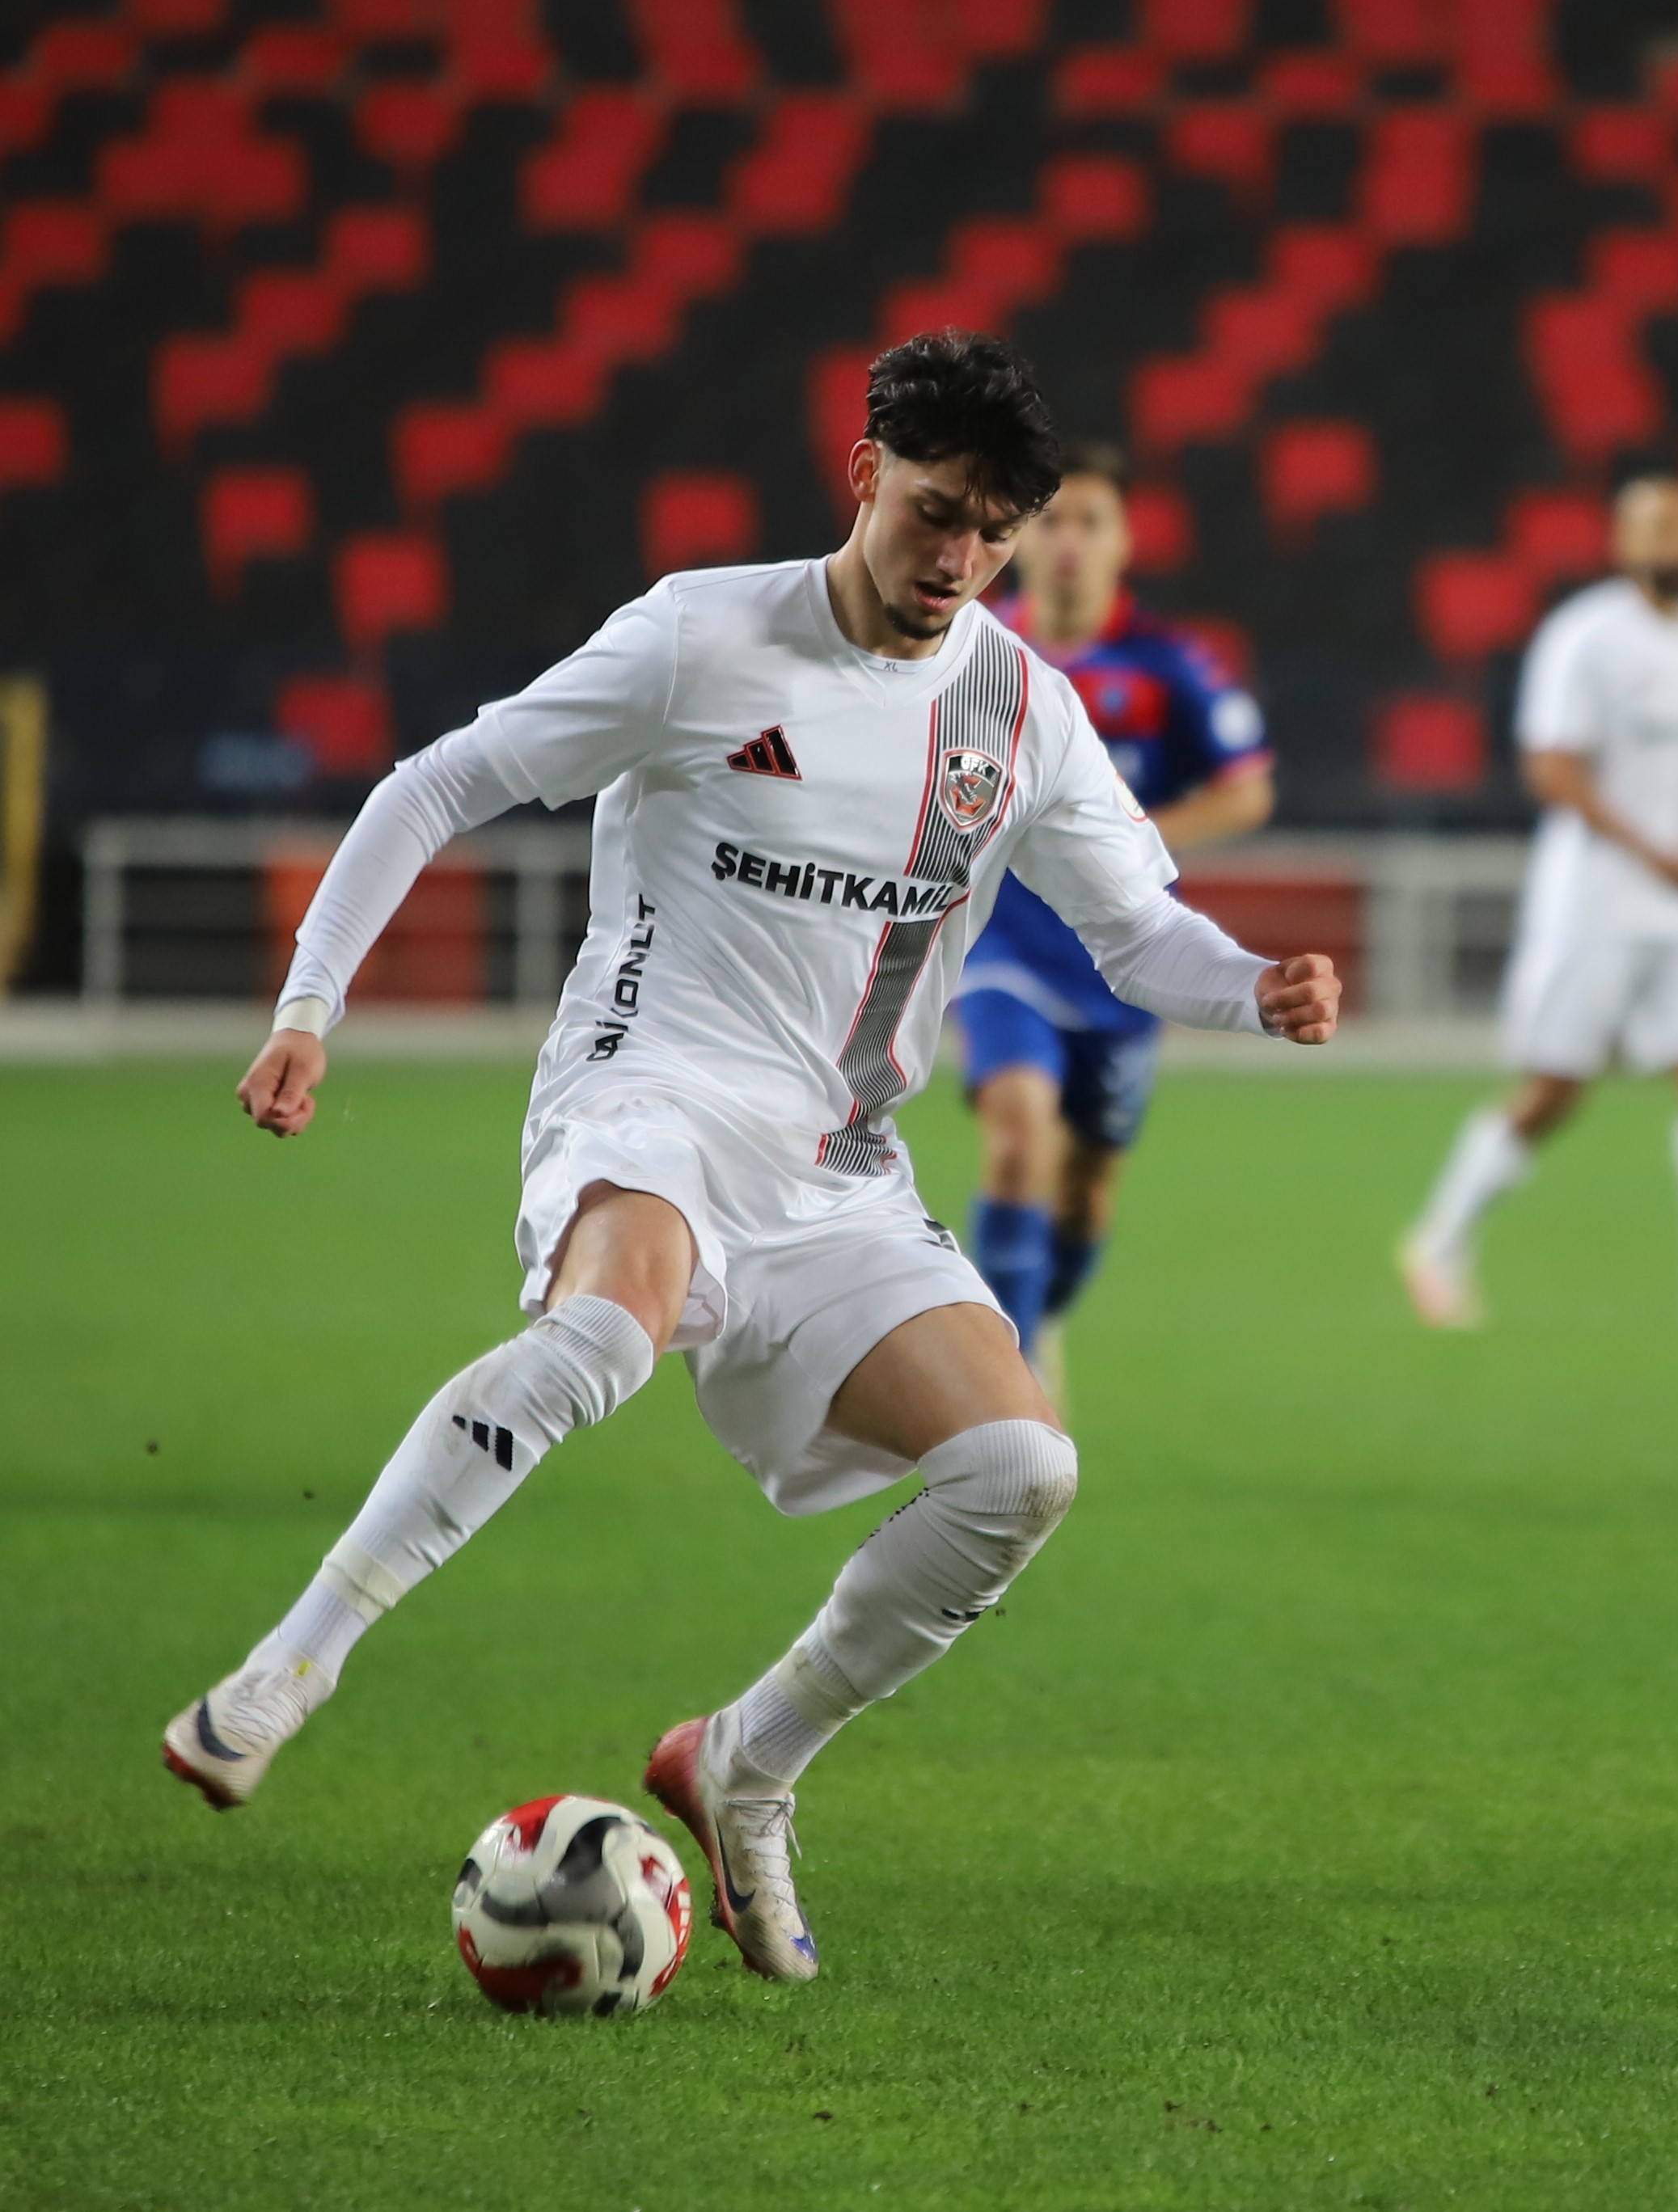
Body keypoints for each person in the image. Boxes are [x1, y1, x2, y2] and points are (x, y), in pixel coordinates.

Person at [161, 334, 1343, 1984]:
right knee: (601, 1333)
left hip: (838, 1172)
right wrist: (310, 1006)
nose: (958, 558)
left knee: (1024, 1475)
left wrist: (1254, 989)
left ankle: (746, 1759)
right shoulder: (701, 637)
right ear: (862, 476)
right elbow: (440, 784)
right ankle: (290, 1667)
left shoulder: (1019, 707)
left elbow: (1135, 930)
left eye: (993, 529)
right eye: (934, 512)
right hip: (644, 1096)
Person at [1398, 473, 1678, 1332]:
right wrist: (1653, 850)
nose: (1671, 544)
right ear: (1621, 543)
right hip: (1594, 894)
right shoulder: (1584, 636)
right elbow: (1551, 768)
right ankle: (1437, 1241)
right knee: (1556, 1088)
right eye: (1653, 529)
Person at [953, 441, 1273, 1410]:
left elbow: (1247, 792)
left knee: (1087, 1185)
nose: (1068, 542)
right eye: (1051, 520)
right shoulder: (972, 647)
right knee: (1018, 1135)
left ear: (1124, 540)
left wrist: (1123, 836)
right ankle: (1002, 1380)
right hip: (1000, 939)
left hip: (1121, 956)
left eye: (1090, 521)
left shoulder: (1171, 667)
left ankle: (1042, 1315)